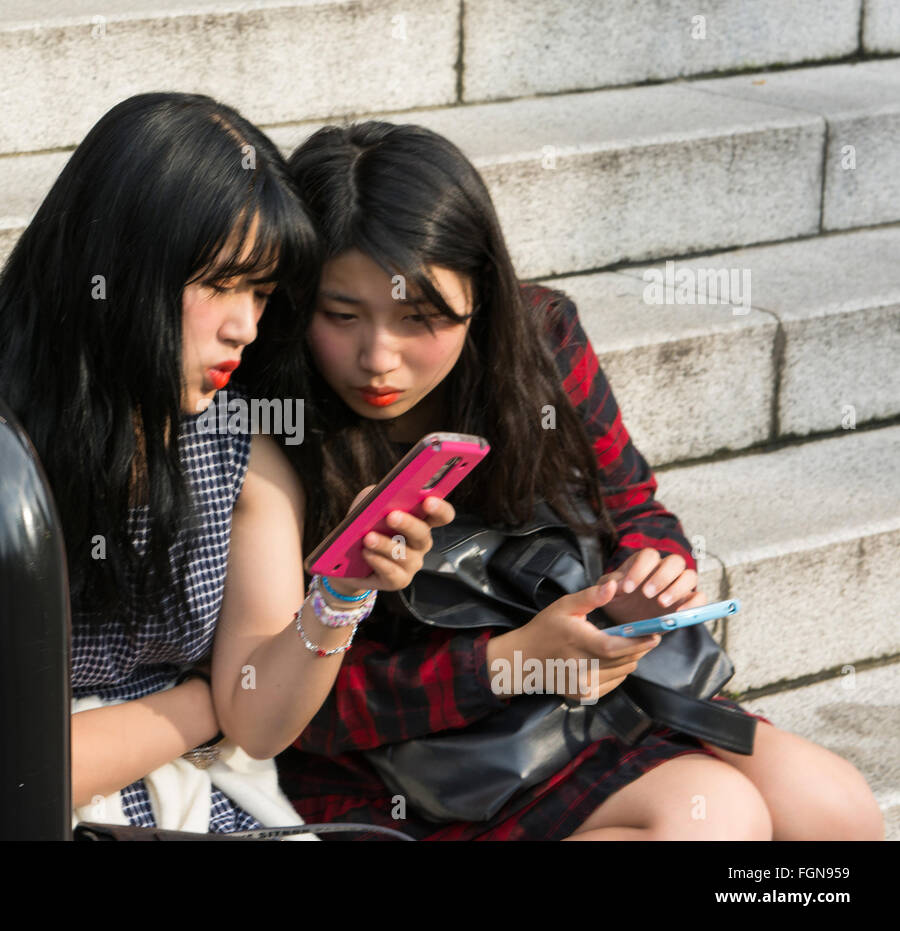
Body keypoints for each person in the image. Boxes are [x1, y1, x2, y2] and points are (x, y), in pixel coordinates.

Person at [0, 94, 452, 840]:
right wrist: (197, 707)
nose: (245, 324)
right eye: (218, 283)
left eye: (262, 292)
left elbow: (260, 719)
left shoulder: (240, 449)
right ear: (118, 267)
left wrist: (339, 595)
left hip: (200, 797)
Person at [243, 120, 884, 840]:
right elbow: (286, 708)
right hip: (416, 765)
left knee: (835, 808)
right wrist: (506, 663)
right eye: (342, 315)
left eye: (420, 317)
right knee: (712, 818)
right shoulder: (275, 425)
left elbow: (635, 507)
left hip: (600, 693)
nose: (378, 358)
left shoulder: (541, 343)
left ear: (480, 295)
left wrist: (647, 580)